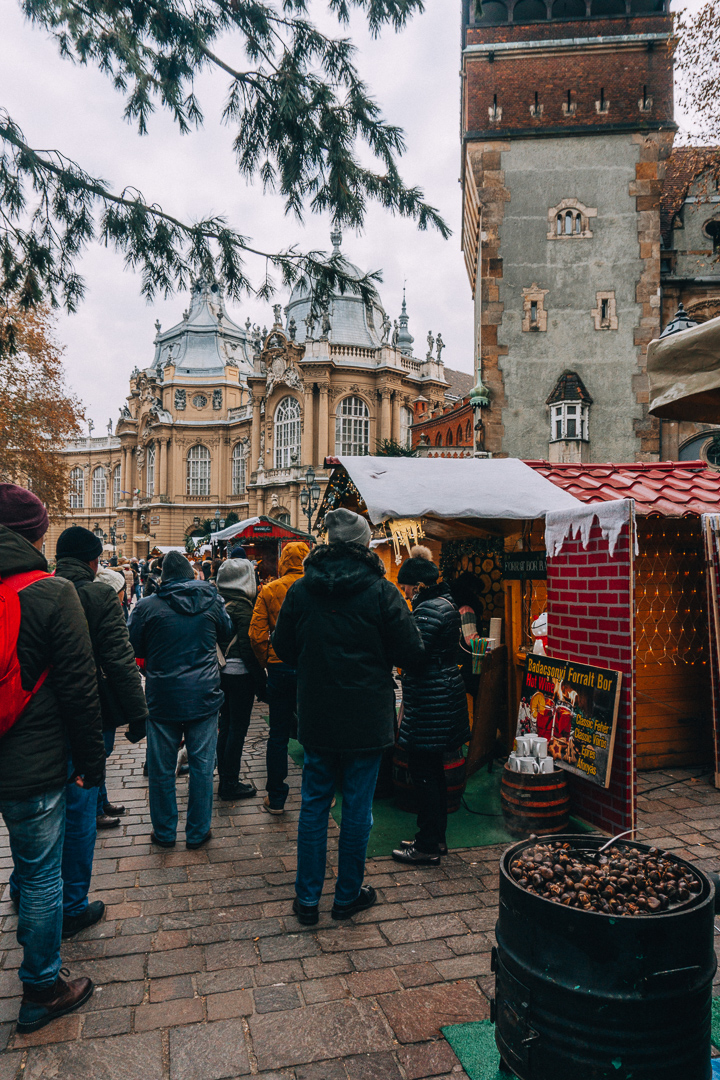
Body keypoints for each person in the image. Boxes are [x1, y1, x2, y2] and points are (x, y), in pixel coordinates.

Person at [273, 508, 424, 925]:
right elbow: (411, 651)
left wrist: (314, 660)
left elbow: (283, 646)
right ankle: (346, 895)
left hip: (319, 713)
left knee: (314, 804)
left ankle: (307, 901)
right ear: (361, 545)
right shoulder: (381, 590)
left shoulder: (303, 590)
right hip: (365, 715)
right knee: (358, 807)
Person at [0, 484, 105, 1033]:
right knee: (41, 874)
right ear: (38, 534)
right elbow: (79, 689)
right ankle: (42, 987)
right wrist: (91, 763)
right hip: (33, 759)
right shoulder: (52, 591)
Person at [54, 527, 149, 933]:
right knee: (78, 812)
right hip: (84, 715)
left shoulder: (36, 588)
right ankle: (73, 904)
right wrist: (138, 713)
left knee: (44, 813)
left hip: (39, 719)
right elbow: (119, 657)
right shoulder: (96, 595)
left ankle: (26, 890)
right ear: (94, 561)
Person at [128, 551, 233, 849]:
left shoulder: (148, 606)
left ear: (164, 575)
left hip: (163, 696)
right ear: (190, 573)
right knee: (202, 766)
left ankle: (164, 832)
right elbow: (226, 631)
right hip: (204, 694)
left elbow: (132, 642)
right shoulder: (212, 600)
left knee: (161, 768)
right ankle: (198, 832)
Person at [392, 547, 470, 866]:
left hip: (430, 698)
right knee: (433, 771)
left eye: (407, 586)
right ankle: (436, 838)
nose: (406, 592)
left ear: (418, 585)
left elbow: (415, 653)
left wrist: (396, 648)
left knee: (424, 772)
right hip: (444, 693)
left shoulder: (426, 610)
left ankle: (426, 845)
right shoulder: (446, 603)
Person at [249, 541, 309, 815]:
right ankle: (320, 793)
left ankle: (276, 797)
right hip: (310, 669)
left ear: (284, 560)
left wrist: (268, 661)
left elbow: (256, 635)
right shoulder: (315, 588)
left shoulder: (270, 589)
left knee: (278, 734)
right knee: (314, 733)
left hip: (279, 667)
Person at [215, 559, 263, 800]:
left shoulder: (217, 603)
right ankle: (229, 783)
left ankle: (224, 775)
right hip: (240, 675)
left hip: (220, 674)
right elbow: (248, 649)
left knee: (225, 724)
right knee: (237, 728)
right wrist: (262, 683)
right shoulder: (244, 608)